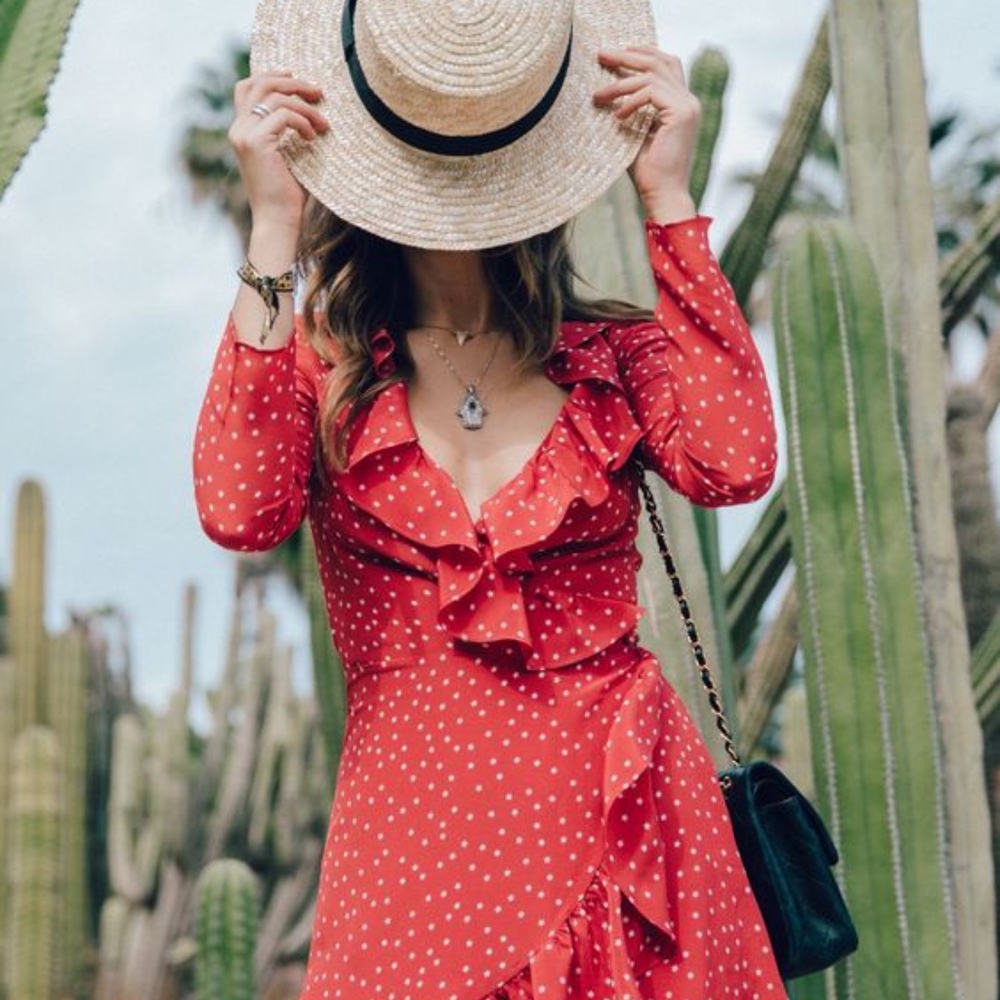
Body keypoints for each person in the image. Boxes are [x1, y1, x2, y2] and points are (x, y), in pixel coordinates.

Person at [193, 0, 786, 996]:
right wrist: (269, 232)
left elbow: (734, 465)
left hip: (624, 834)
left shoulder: (612, 356)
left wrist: (671, 200)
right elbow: (237, 509)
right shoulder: (323, 373)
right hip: (412, 863)